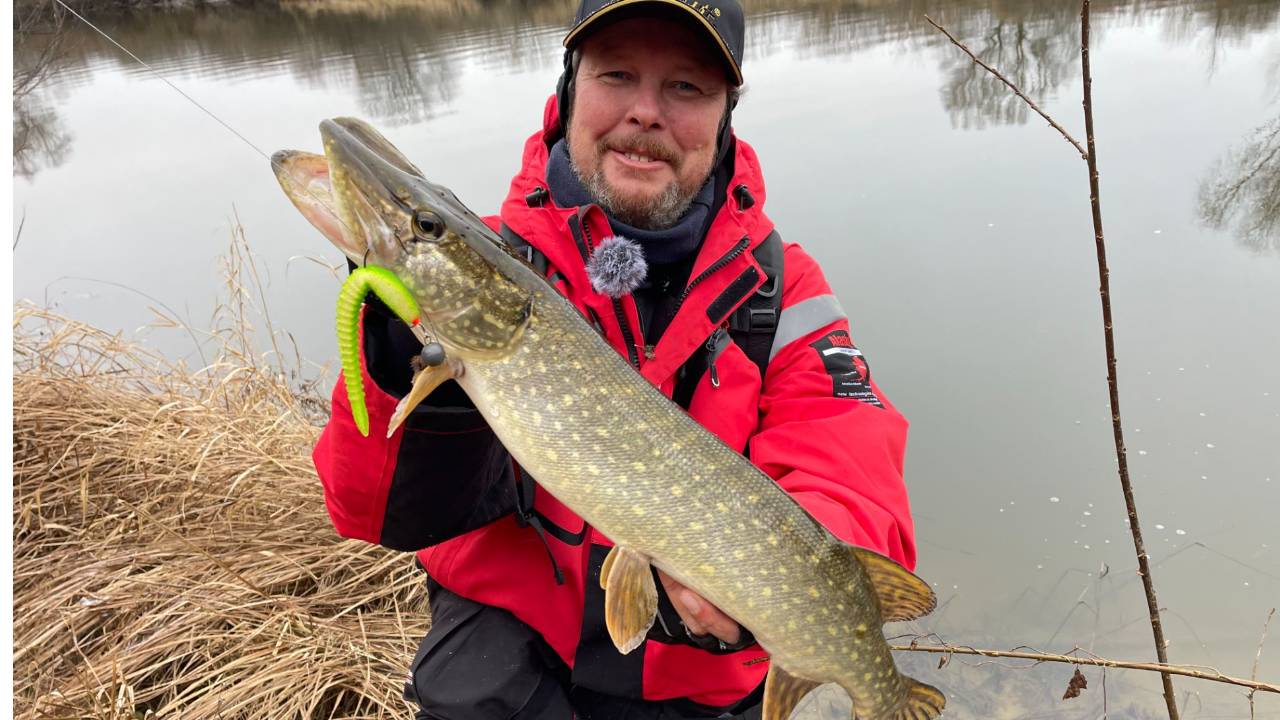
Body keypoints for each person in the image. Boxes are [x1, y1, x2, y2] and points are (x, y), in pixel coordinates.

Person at [313, 1, 918, 718]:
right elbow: (365, 511)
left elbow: (850, 475)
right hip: (507, 657)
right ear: (571, 89)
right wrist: (397, 369)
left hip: (694, 676)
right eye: (617, 74)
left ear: (726, 116)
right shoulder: (501, 261)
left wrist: (766, 593)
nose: (645, 112)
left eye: (686, 87)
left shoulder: (781, 291)